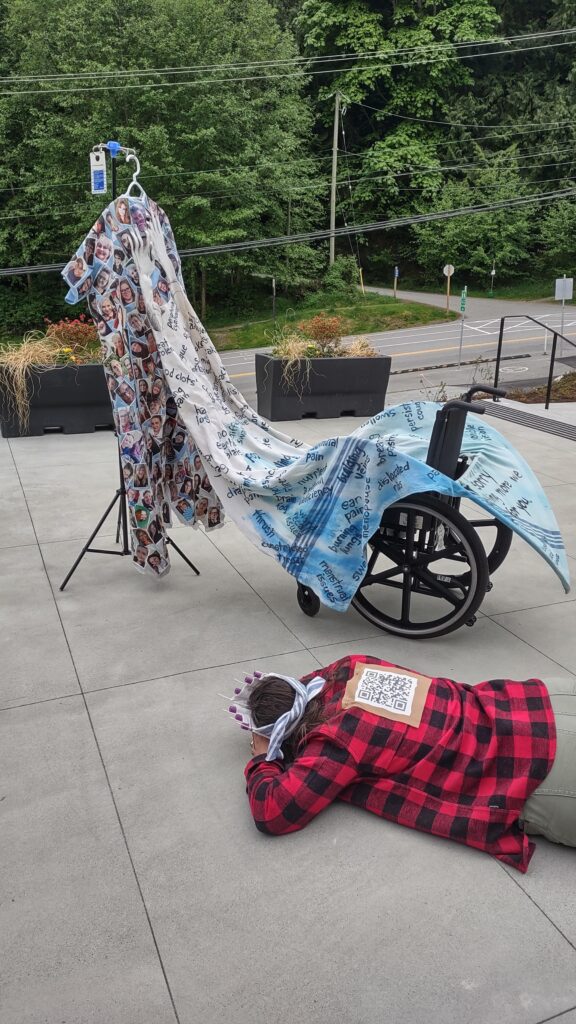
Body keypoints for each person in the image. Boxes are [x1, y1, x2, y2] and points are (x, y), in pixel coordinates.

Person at [237, 654, 576, 874]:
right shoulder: (349, 666)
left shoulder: (335, 743)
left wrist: (263, 757)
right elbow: (306, 684)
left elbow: (272, 811)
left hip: (541, 769)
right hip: (535, 701)